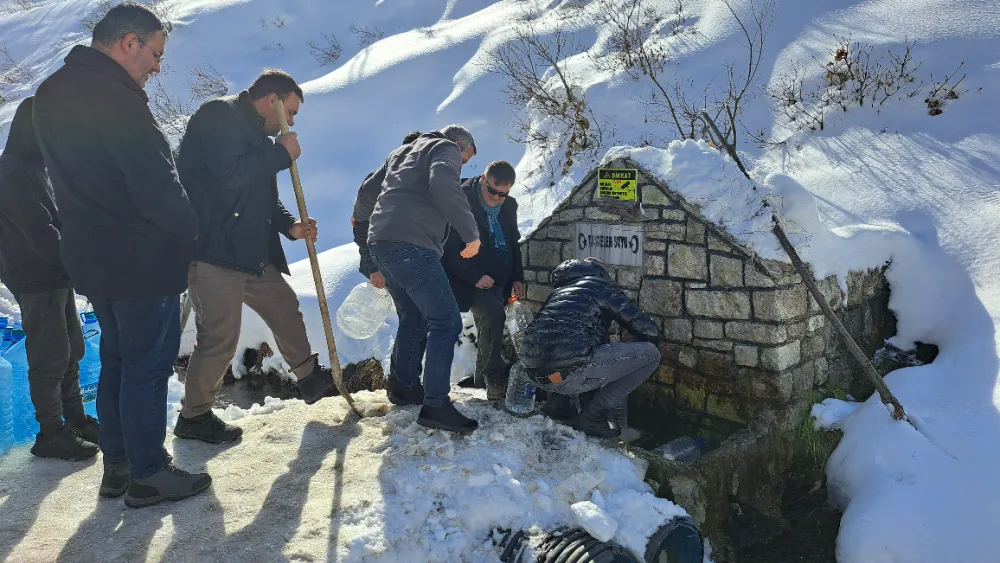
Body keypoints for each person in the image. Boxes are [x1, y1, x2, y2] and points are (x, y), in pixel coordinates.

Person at [32, 2, 210, 507]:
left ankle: (119, 466)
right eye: (155, 54)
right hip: (141, 255)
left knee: (117, 360)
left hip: (92, 255)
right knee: (148, 367)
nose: (157, 67)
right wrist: (191, 232)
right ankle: (150, 472)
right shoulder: (115, 97)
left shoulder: (51, 93)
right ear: (128, 42)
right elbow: (155, 183)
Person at [174, 69, 335, 445]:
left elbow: (262, 194)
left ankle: (309, 378)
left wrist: (290, 226)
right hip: (213, 250)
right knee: (219, 339)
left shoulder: (260, 138)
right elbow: (230, 174)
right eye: (290, 112)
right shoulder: (218, 116)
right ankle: (193, 417)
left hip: (251, 251)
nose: (291, 122)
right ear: (272, 101)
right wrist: (281, 153)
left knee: (285, 305)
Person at [352, 126, 481, 433]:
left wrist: (368, 227)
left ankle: (404, 386)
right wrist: (471, 234)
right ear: (459, 145)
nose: (460, 166)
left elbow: (365, 196)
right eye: (464, 159)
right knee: (446, 322)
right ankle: (436, 405)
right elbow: (444, 186)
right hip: (412, 246)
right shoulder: (444, 148)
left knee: (413, 316)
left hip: (382, 244)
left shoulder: (400, 153)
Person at [0, 97, 98, 461]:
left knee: (72, 347)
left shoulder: (33, 166)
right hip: (33, 277)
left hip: (54, 274)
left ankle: (75, 419)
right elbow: (39, 231)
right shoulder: (10, 170)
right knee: (49, 355)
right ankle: (50, 433)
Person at [518, 258, 662, 438]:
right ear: (597, 272)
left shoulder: (558, 294)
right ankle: (593, 416)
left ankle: (556, 405)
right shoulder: (600, 285)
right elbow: (647, 329)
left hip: (534, 375)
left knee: (567, 347)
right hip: (570, 375)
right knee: (651, 355)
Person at [350, 131, 428, 387]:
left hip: (411, 261)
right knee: (413, 317)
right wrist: (374, 268)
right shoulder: (379, 182)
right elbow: (360, 225)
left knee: (420, 317)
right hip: (385, 263)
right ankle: (401, 383)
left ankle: (407, 378)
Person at [441, 161, 524, 400]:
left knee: (490, 325)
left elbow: (513, 242)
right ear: (483, 179)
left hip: (499, 279)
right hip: (467, 278)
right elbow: (450, 246)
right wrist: (475, 276)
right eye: (494, 191)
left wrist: (517, 277)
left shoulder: (509, 205)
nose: (498, 198)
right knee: (493, 314)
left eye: (504, 194)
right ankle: (494, 377)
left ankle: (480, 382)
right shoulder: (462, 200)